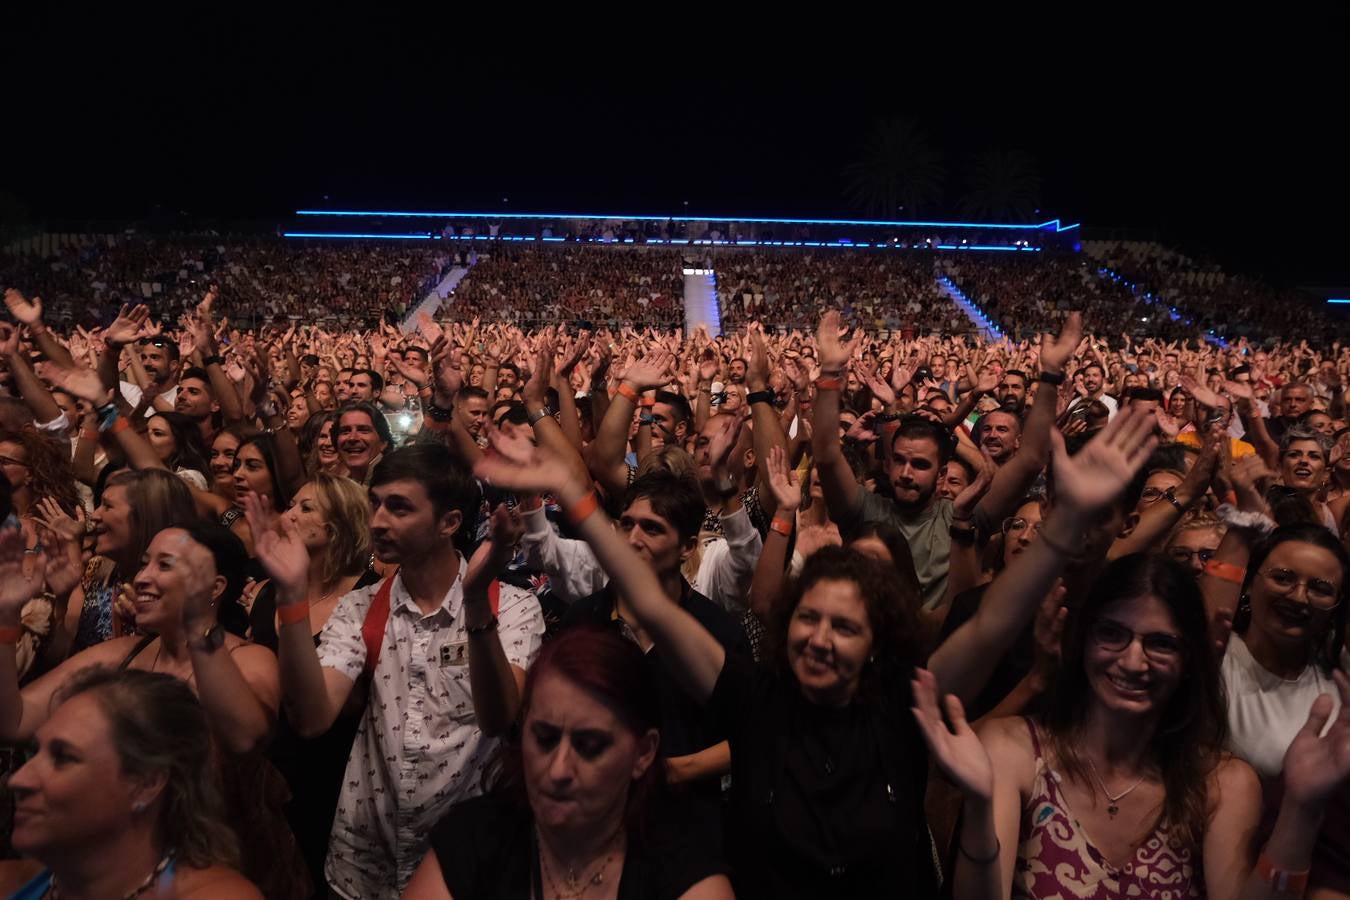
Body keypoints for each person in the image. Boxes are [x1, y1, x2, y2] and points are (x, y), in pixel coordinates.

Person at [472, 404, 1160, 899]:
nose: (820, 639)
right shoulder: (751, 696)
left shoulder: (904, 704)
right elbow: (650, 602)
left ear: (875, 646)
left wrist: (1068, 522)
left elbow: (991, 625)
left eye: (845, 628)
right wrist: (573, 496)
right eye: (809, 619)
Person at [914, 550, 1350, 900]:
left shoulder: (1221, 784)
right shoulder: (1015, 750)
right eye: (1112, 634)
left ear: (1188, 660)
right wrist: (976, 805)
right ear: (1083, 641)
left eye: (1160, 644)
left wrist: (1302, 808)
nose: (1133, 661)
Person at [250, 443, 544, 898]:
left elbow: (500, 717)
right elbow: (311, 718)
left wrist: (473, 601)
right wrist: (292, 596)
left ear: (449, 522)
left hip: (463, 867)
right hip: (363, 865)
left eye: (399, 507)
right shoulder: (361, 607)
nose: (377, 521)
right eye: (375, 504)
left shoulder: (514, 606)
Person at [403, 625, 734, 899]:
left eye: (589, 746)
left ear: (643, 753)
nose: (558, 769)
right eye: (544, 739)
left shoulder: (684, 866)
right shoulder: (474, 839)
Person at [0, 668, 261, 899]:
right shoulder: (8, 882)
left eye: (63, 758)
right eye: (36, 753)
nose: (18, 779)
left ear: (146, 783)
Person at [245, 473, 378, 898]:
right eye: (292, 504)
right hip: (268, 766)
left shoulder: (367, 597)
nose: (289, 515)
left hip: (332, 773)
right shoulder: (268, 593)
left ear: (339, 524)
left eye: (306, 507)